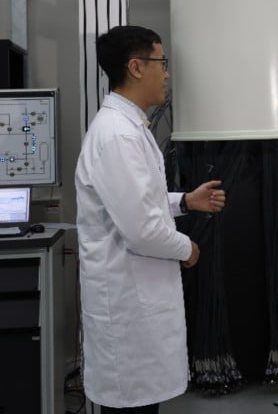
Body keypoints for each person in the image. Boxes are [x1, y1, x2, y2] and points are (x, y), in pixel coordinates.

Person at [75, 25, 227, 413]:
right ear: (136, 67)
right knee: (133, 406)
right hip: (128, 308)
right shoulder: (117, 136)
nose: (167, 73)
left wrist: (186, 202)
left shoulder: (128, 127)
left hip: (137, 300)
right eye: (161, 62)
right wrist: (187, 248)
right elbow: (141, 229)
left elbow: (139, 201)